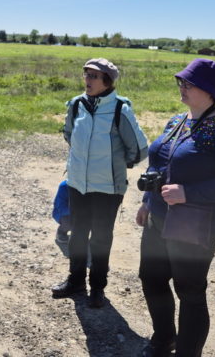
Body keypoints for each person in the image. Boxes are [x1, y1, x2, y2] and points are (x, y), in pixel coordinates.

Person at [136, 58, 215, 356]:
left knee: (189, 291)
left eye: (189, 83)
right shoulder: (178, 120)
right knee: (151, 278)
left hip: (196, 224)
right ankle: (164, 339)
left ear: (209, 90)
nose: (182, 87)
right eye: (181, 82)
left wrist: (189, 193)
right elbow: (159, 161)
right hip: (159, 217)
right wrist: (147, 201)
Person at [51, 58, 149, 309]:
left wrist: (115, 166)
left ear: (107, 81)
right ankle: (75, 281)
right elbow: (69, 134)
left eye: (94, 76)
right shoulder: (76, 104)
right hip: (77, 184)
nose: (87, 79)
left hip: (108, 188)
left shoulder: (120, 110)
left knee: (101, 239)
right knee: (77, 235)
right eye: (86, 74)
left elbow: (139, 149)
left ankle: (97, 288)